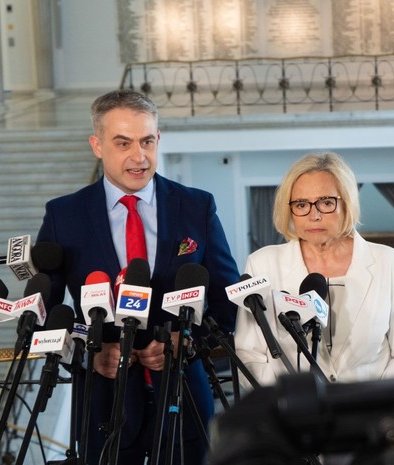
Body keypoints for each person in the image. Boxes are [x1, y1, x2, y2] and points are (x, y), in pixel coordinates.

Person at [36, 89, 239, 464]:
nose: (139, 156)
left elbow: (228, 301)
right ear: (97, 145)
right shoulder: (64, 215)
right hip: (103, 403)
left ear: (158, 138)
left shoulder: (197, 206)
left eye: (147, 141)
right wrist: (87, 355)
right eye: (123, 143)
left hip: (184, 399)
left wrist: (188, 342)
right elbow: (44, 314)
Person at [234, 151, 394, 387]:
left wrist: (372, 399)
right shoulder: (262, 264)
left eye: (327, 203)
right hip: (293, 405)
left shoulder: (391, 263)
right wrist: (291, 396)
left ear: (347, 204)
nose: (314, 215)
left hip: (372, 404)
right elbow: (248, 355)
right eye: (301, 204)